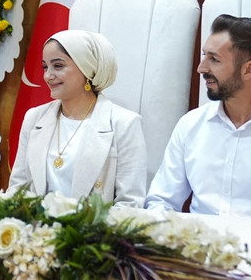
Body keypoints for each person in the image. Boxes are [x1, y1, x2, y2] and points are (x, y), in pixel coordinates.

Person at [145, 14, 251, 222]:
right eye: (204, 56)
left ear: (249, 69)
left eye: (214, 60)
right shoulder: (190, 125)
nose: (201, 68)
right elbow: (160, 202)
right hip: (196, 248)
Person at [9, 30, 147, 206]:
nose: (47, 75)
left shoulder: (125, 123)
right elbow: (17, 190)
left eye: (58, 66)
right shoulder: (34, 118)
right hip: (36, 231)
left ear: (86, 69)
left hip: (95, 232)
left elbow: (130, 203)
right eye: (45, 67)